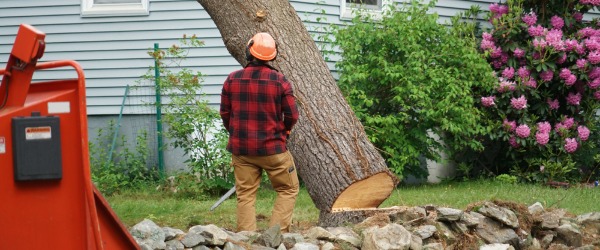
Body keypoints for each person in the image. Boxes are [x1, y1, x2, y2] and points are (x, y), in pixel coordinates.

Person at [219, 32, 300, 232]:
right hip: (273, 150)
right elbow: (292, 115)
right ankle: (276, 236)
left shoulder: (232, 79)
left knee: (245, 194)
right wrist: (285, 132)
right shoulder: (280, 81)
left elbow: (225, 114)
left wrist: (237, 134)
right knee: (288, 189)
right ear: (273, 56)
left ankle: (245, 240)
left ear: (249, 52)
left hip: (242, 151)